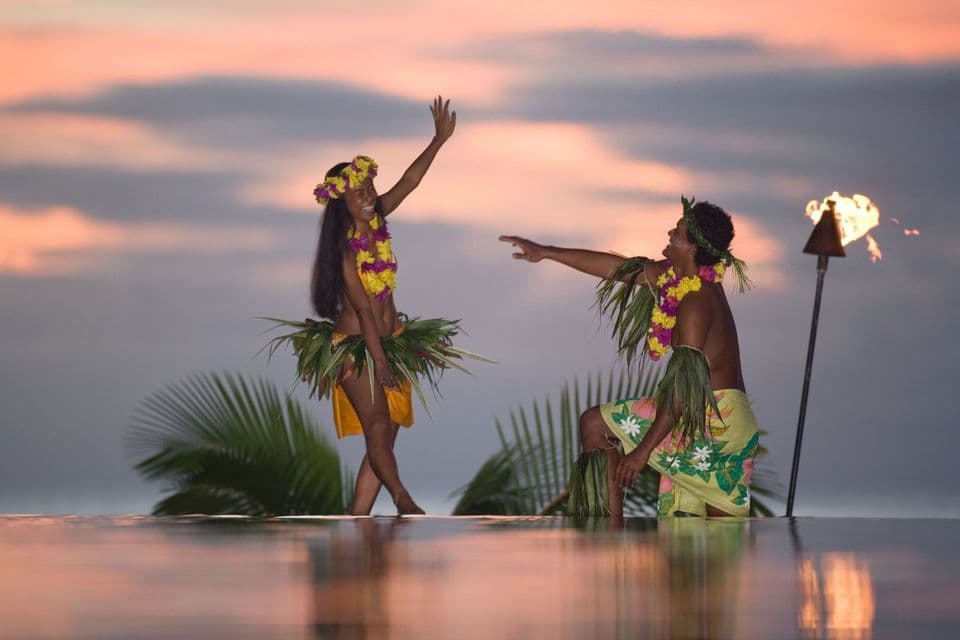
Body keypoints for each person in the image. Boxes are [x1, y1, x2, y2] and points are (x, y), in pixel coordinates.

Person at [268, 96, 488, 516]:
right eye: (358, 192)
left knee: (383, 439)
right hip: (357, 348)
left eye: (369, 187)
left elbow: (409, 181)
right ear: (341, 202)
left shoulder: (378, 221)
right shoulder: (346, 253)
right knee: (379, 427)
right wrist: (380, 361)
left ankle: (358, 517)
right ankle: (405, 502)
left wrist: (438, 140)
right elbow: (366, 313)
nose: (369, 195)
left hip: (392, 341)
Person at [500, 197, 759, 518]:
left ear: (692, 247)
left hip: (712, 422)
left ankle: (607, 540)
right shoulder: (678, 278)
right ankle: (611, 538)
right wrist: (547, 252)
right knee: (706, 546)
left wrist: (641, 453)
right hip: (730, 422)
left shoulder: (695, 303)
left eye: (677, 231)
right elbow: (616, 269)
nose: (670, 233)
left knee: (595, 423)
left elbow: (682, 388)